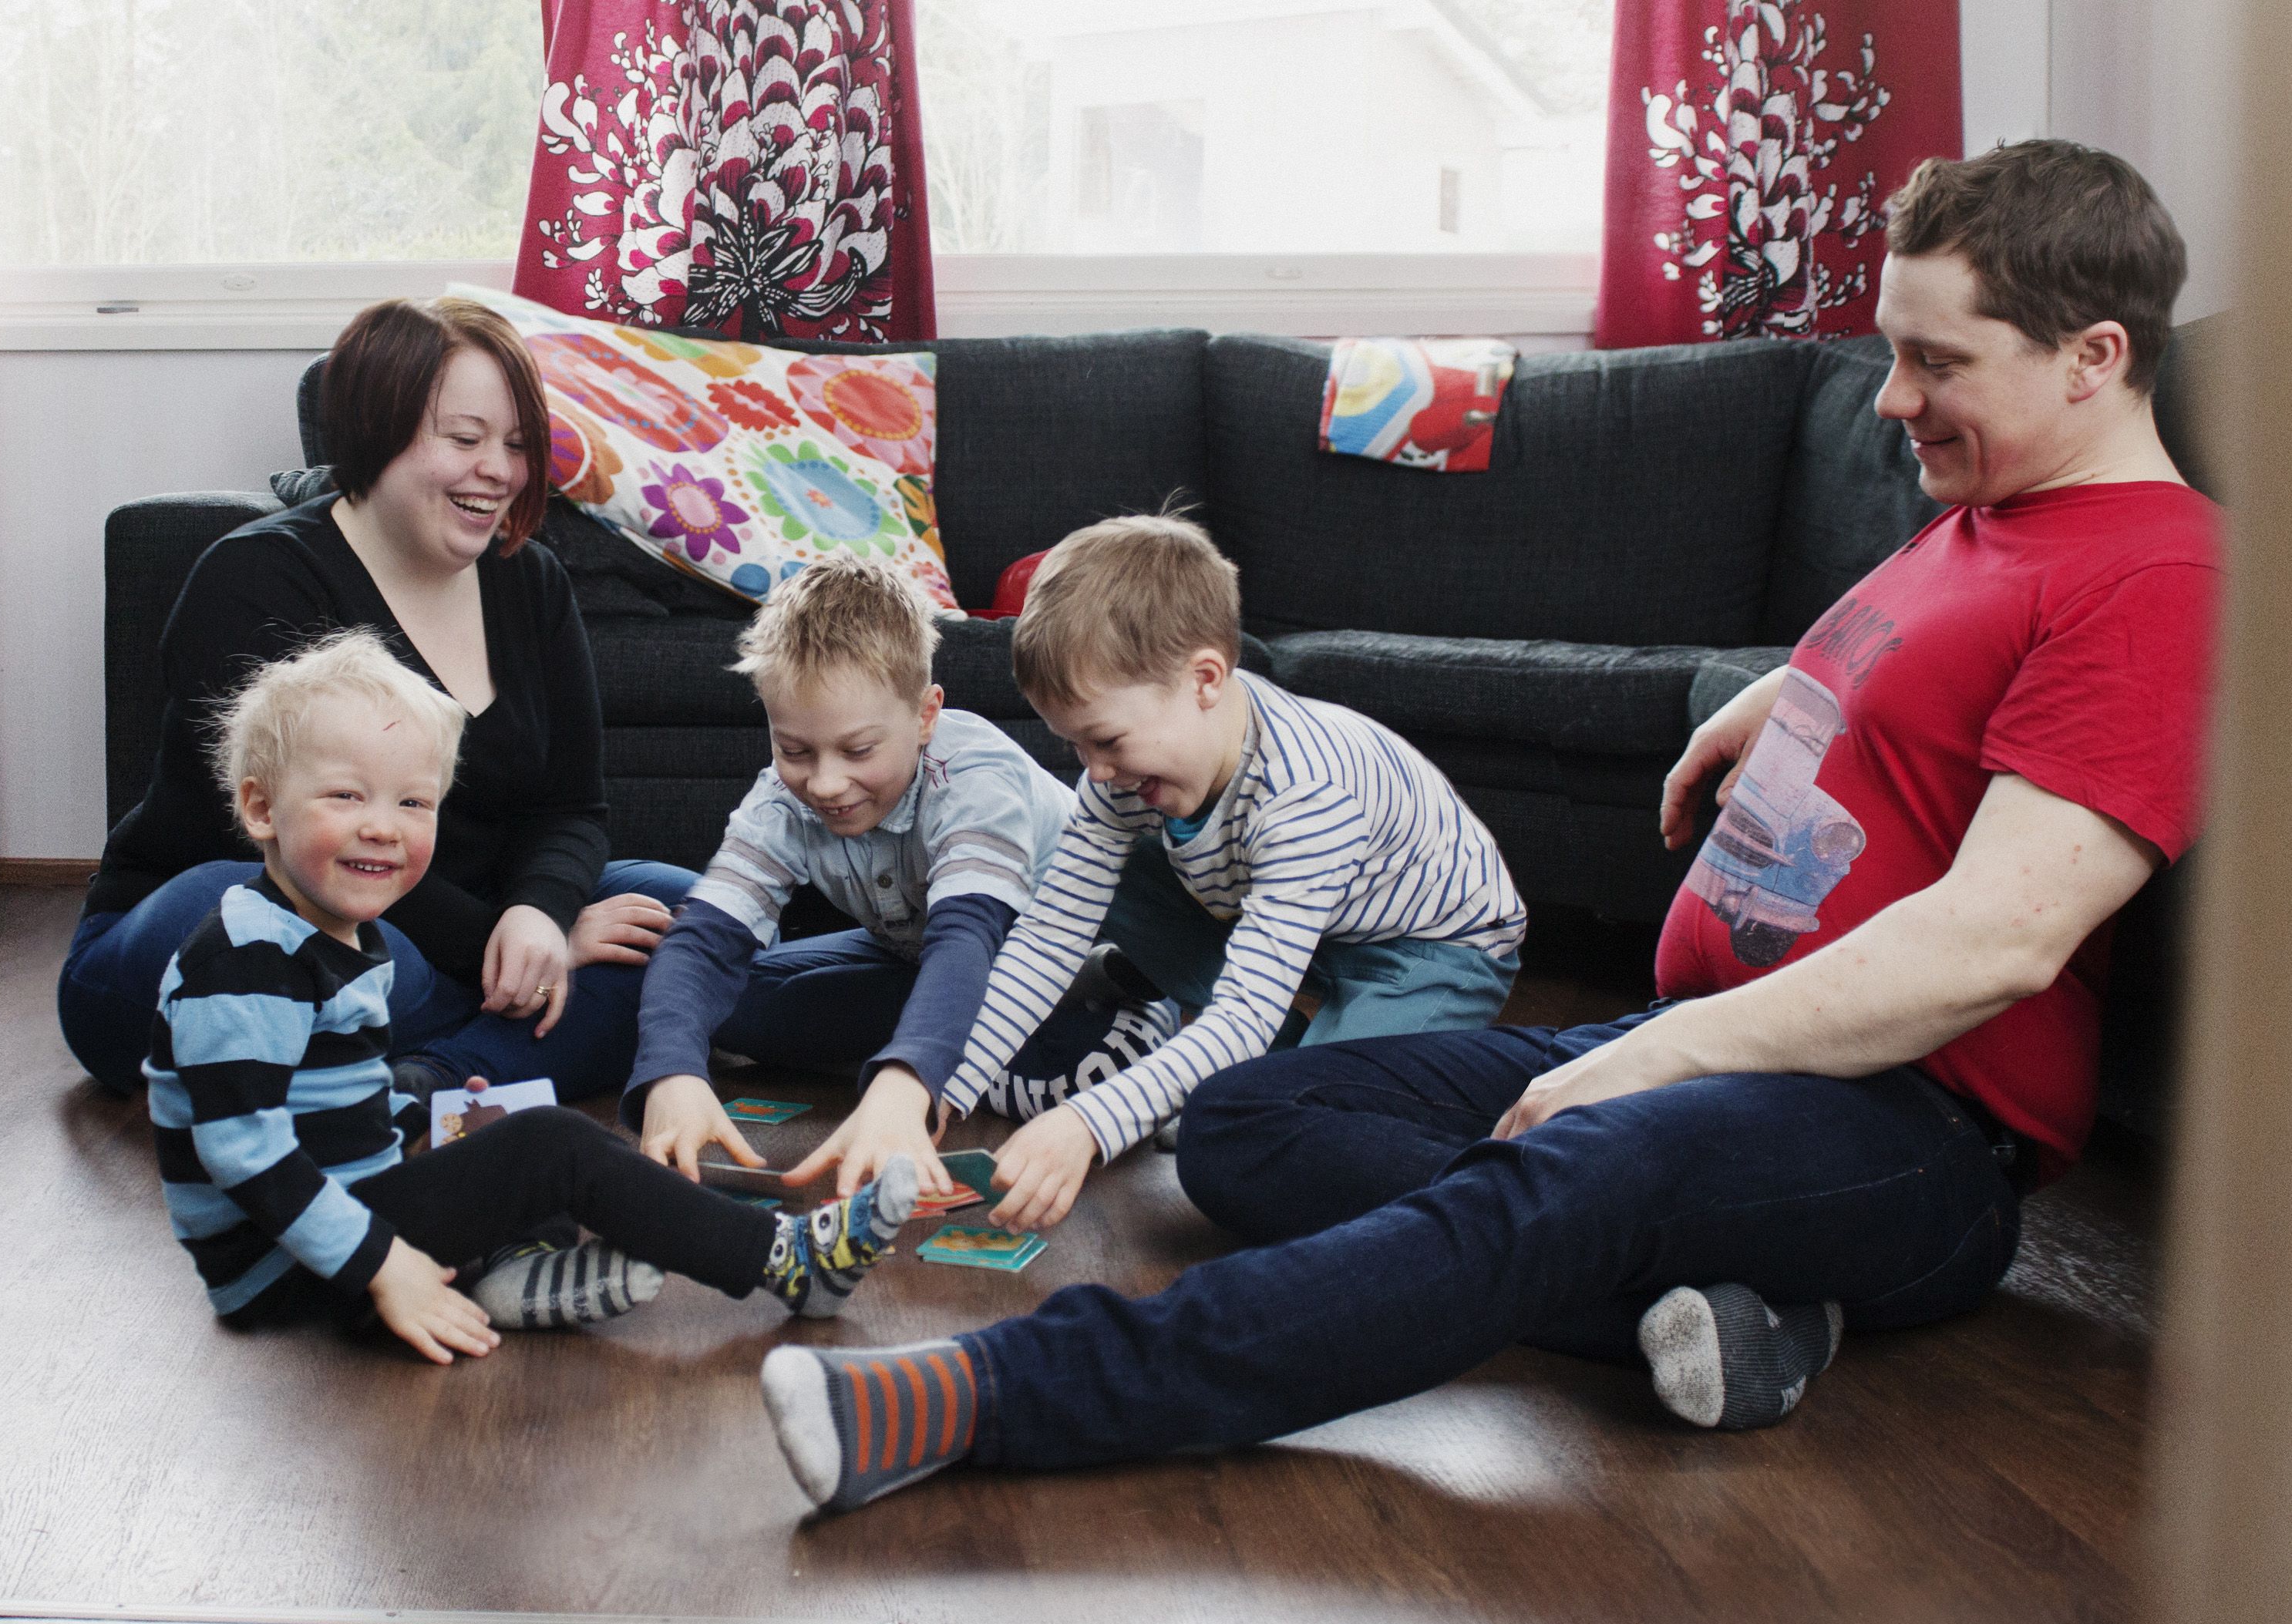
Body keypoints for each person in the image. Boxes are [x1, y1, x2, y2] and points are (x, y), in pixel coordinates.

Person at [758, 139, 2223, 1512]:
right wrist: (1792, 685)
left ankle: (995, 1394)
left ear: (2092, 359)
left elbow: (2002, 937)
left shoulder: (2154, 577)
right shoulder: (1985, 515)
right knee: (1250, 1119)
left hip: (1908, 1122)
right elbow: (1950, 660)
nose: (1888, 399)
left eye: (1932, 362)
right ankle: (1715, 1301)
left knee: (1564, 1173)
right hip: (1715, 1038)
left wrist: (1652, 1055)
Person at [145, 630, 914, 1363]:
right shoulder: (246, 956)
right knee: (553, 1146)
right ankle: (789, 1261)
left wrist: (423, 1114)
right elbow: (242, 1150)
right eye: (346, 797)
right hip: (281, 1268)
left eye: (413, 804)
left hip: (330, 1223)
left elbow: (327, 1112)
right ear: (260, 810)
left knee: (502, 1114)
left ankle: (522, 1272)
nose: (382, 828)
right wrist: (385, 1266)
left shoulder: (339, 934)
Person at [59, 296, 691, 1103]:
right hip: (253, 928)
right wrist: (524, 943)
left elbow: (571, 806)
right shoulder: (252, 581)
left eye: (517, 446)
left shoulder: (530, 582)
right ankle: (533, 1030)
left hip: (459, 932)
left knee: (682, 914)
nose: (497, 470)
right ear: (375, 430)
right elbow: (290, 845)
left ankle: (425, 1082)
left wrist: (537, 914)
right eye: (464, 439)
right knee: (270, 929)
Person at [931, 514, 1528, 1232]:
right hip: (1294, 918)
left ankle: (1463, 1111)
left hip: (1430, 953)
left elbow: (1245, 1012)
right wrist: (945, 1086)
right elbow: (1048, 934)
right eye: (1076, 745)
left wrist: (1087, 1124)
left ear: (1205, 679)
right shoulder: (1125, 774)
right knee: (1082, 858)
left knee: (1309, 1124)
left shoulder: (1305, 796)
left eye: (1106, 739)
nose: (1094, 770)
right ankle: (1237, 1064)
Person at [625, 557, 1172, 1202]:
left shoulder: (973, 776)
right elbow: (703, 942)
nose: (824, 784)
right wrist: (671, 1073)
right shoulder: (781, 801)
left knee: (1077, 1069)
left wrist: (905, 1082)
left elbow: (967, 939)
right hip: (915, 961)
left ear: (924, 715)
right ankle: (944, 1041)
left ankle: (1115, 1008)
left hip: (1019, 957)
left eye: (858, 751)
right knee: (732, 1014)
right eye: (795, 750)